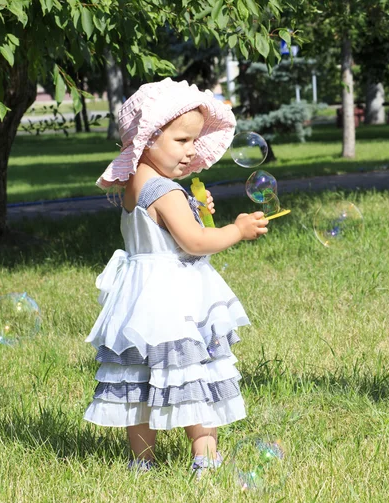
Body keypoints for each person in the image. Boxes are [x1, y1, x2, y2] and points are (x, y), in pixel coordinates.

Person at [83, 78, 269, 475]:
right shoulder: (166, 191)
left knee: (138, 375)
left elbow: (163, 230)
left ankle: (142, 462)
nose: (191, 151)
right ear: (148, 139)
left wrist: (196, 207)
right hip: (173, 302)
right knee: (191, 374)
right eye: (182, 141)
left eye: (194, 141)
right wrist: (237, 229)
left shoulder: (136, 184)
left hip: (139, 299)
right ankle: (205, 457)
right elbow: (194, 242)